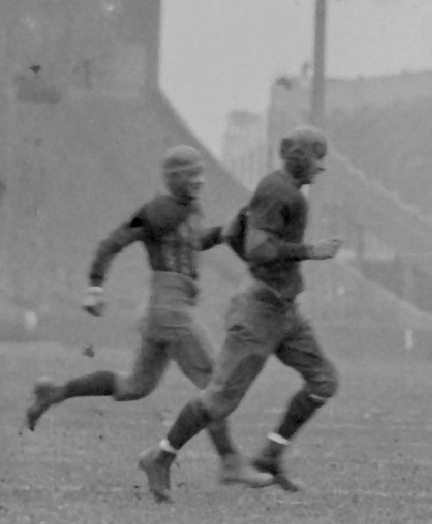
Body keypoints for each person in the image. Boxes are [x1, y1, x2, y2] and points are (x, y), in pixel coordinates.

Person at [24, 146, 268, 487]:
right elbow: (114, 242)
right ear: (173, 177)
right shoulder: (157, 210)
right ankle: (228, 462)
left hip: (166, 310)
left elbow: (192, 244)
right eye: (190, 173)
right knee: (217, 386)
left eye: (200, 172)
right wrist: (95, 286)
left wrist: (227, 231)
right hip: (170, 310)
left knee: (134, 386)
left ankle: (56, 392)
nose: (198, 180)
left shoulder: (189, 209)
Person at [142, 126, 342, 501]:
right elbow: (260, 247)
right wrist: (309, 251)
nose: (322, 167)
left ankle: (269, 457)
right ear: (300, 157)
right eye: (318, 157)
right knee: (219, 399)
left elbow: (237, 233)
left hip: (283, 309)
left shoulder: (281, 192)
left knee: (324, 381)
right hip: (258, 314)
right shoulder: (277, 191)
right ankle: (160, 456)